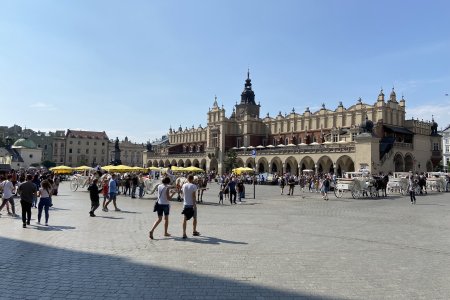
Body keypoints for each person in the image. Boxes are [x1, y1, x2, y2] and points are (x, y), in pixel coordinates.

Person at [181, 174, 200, 239]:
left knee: (184, 219)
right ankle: (194, 231)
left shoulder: (184, 185)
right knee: (194, 218)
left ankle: (184, 233)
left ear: (187, 179)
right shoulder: (194, 186)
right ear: (192, 179)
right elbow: (194, 196)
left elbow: (183, 194)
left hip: (185, 204)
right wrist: (194, 205)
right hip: (192, 204)